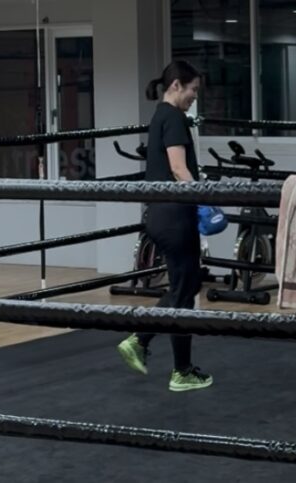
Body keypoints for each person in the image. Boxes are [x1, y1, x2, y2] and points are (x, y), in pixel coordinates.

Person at [115, 60, 213, 392]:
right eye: (192, 89)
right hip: (174, 215)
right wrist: (205, 200)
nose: (194, 96)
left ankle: (165, 357)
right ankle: (162, 356)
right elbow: (178, 168)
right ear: (176, 86)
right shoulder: (172, 117)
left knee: (186, 287)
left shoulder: (161, 115)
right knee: (184, 290)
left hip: (162, 214)